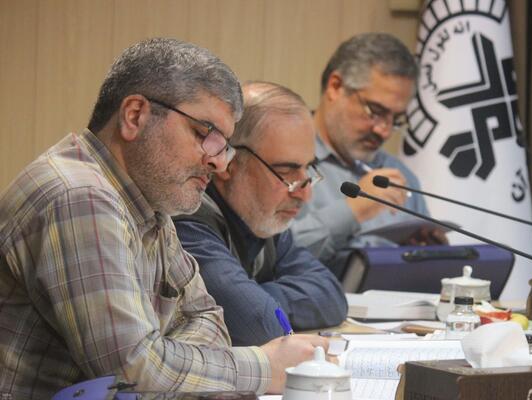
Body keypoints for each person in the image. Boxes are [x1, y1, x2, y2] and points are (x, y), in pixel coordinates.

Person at [0, 38, 328, 399]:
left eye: (223, 144)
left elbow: (210, 320)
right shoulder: (79, 195)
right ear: (135, 116)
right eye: (205, 134)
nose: (219, 161)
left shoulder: (148, 202)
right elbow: (132, 369)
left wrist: (165, 360)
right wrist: (263, 368)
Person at [174, 81, 348, 346]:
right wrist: (254, 304)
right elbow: (257, 325)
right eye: (286, 171)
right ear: (227, 162)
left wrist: (256, 296)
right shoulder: (188, 219)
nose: (305, 194)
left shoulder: (261, 219)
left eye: (308, 169)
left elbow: (331, 297)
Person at [291, 32, 447, 268]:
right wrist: (351, 211)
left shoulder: (400, 176)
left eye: (396, 119)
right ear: (336, 87)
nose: (384, 131)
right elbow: (267, 258)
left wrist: (431, 254)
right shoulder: (282, 162)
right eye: (375, 111)